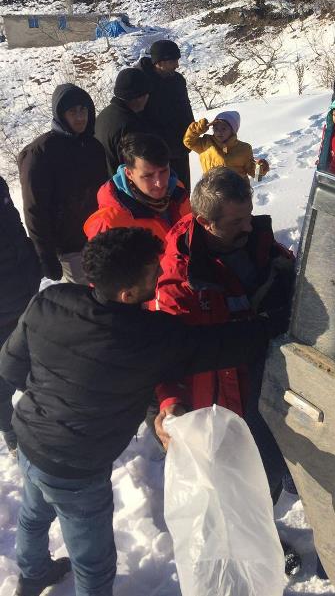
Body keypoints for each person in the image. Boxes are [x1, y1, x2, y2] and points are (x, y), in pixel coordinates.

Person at [0, 227, 287, 596]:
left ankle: (32, 572)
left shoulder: (51, 301)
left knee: (33, 516)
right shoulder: (149, 337)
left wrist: (50, 395)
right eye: (154, 270)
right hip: (78, 470)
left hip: (30, 440)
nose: (161, 272)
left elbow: (9, 369)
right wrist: (273, 324)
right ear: (128, 293)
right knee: (93, 562)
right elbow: (224, 345)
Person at [151, 168, 301, 573]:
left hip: (263, 380)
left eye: (249, 215)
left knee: (266, 470)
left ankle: (260, 530)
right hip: (219, 399)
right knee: (232, 483)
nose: (248, 226)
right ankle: (246, 546)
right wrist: (170, 403)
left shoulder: (259, 244)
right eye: (236, 221)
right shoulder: (182, 277)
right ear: (206, 222)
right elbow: (164, 350)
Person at [18, 84, 106, 285]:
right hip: (69, 247)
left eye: (83, 110)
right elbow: (34, 209)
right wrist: (45, 255)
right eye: (72, 111)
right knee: (84, 303)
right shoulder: (40, 153)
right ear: (60, 114)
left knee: (107, 296)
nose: (79, 117)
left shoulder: (93, 147)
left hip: (99, 237)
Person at [84, 133, 190, 245]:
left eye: (163, 171)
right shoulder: (109, 223)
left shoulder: (178, 192)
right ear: (129, 173)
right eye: (148, 176)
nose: (159, 183)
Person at [0, 176, 41, 455]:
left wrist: (31, 261)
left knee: (34, 363)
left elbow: (14, 227)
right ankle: (10, 431)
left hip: (22, 291)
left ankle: (37, 420)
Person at [137, 40, 194, 192]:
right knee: (162, 195)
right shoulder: (142, 82)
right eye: (173, 61)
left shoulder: (177, 80)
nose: (177, 65)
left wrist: (192, 129)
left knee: (182, 193)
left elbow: (185, 108)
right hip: (157, 155)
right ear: (159, 62)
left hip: (181, 148)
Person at [94, 68, 151, 177]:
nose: (147, 98)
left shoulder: (104, 115)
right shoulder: (130, 125)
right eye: (146, 94)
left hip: (106, 184)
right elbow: (136, 168)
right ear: (138, 97)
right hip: (124, 187)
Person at [183, 110, 269, 181]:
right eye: (216, 128)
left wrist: (260, 168)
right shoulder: (206, 143)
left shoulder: (244, 149)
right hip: (212, 191)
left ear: (233, 130)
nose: (219, 132)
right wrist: (199, 128)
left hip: (237, 193)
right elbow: (188, 141)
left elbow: (255, 175)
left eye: (223, 128)